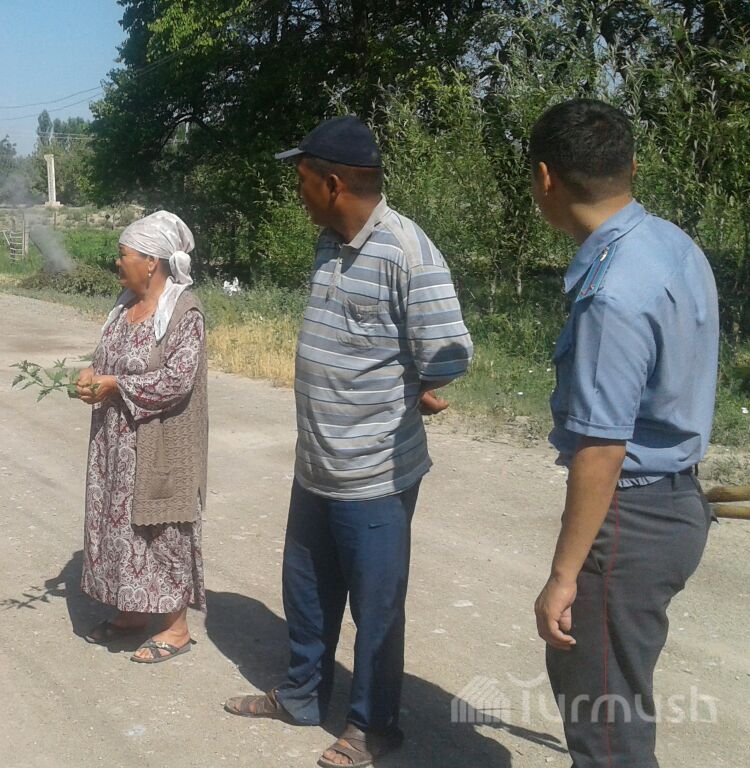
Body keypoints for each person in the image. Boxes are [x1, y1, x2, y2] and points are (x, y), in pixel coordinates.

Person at [223, 116, 474, 767]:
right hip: (317, 465)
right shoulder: (330, 243)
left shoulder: (405, 250)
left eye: (303, 180)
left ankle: (373, 726)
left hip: (375, 475)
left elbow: (448, 350)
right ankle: (301, 696)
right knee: (306, 591)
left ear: (333, 184)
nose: (297, 192)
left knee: (376, 608)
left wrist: (410, 383)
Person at [529, 100, 718, 768]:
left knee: (605, 726)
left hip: (631, 520)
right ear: (631, 167)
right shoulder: (671, 243)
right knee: (618, 704)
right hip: (676, 501)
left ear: (545, 178)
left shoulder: (611, 293)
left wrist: (563, 577)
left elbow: (603, 450)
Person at [75, 210, 208, 664]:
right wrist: (92, 374)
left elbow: (176, 381)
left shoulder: (185, 313)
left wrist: (115, 385)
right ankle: (132, 611)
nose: (118, 262)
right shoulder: (123, 306)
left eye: (124, 254)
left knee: (162, 530)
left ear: (151, 261)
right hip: (115, 444)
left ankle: (176, 627)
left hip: (159, 444)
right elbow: (107, 359)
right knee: (119, 528)